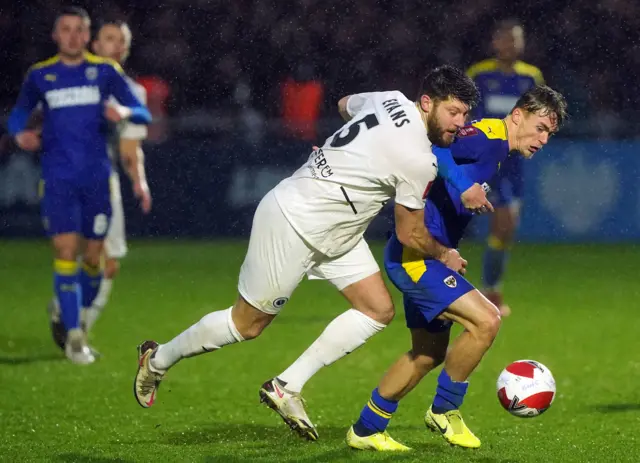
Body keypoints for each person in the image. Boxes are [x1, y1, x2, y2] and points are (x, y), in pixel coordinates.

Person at [133, 66, 491, 440]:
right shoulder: (418, 159)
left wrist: (344, 153)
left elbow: (343, 105)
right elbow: (411, 233)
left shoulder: (390, 99)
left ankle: (286, 386)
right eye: (453, 112)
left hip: (339, 230)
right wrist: (445, 253)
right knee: (247, 325)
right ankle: (156, 360)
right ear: (428, 103)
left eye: (465, 114)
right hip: (295, 220)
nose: (460, 122)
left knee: (377, 309)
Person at [346, 85, 567, 451]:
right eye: (540, 127)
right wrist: (464, 186)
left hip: (426, 255)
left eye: (550, 134)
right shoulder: (486, 138)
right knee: (487, 320)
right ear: (517, 115)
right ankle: (444, 411)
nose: (543, 139)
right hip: (416, 256)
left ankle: (366, 430)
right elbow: (431, 148)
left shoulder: (497, 147)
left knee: (427, 354)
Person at [7, 7, 151, 364]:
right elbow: (18, 113)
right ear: (56, 36)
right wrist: (18, 133)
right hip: (58, 180)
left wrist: (125, 113)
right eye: (65, 30)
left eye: (78, 30)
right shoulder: (41, 76)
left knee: (94, 260)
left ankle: (71, 312)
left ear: (87, 36)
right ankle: (74, 336)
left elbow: (143, 112)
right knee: (65, 252)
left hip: (97, 182)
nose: (72, 36)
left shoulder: (104, 72)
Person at [47, 19, 153, 346]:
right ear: (95, 44)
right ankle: (73, 327)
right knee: (78, 253)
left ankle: (72, 321)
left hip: (103, 183)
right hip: (66, 180)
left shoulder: (133, 93)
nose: (116, 45)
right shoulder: (69, 81)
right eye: (109, 38)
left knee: (104, 262)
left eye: (121, 40)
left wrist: (139, 181)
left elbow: (129, 148)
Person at [466, 19, 545, 316]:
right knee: (458, 223)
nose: (511, 44)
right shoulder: (479, 74)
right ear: (495, 42)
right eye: (506, 39)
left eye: (516, 39)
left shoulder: (531, 77)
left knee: (506, 225)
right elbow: (466, 115)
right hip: (484, 161)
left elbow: (541, 116)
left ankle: (490, 289)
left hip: (513, 165)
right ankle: (471, 292)